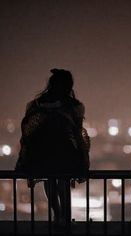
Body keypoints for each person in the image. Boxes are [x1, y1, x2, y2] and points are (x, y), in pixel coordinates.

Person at [15, 69, 90, 227]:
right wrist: (83, 156)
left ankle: (57, 216)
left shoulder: (35, 106)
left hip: (40, 155)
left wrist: (25, 156)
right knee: (63, 182)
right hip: (65, 153)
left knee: (49, 181)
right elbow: (77, 134)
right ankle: (66, 219)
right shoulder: (74, 107)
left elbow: (27, 133)